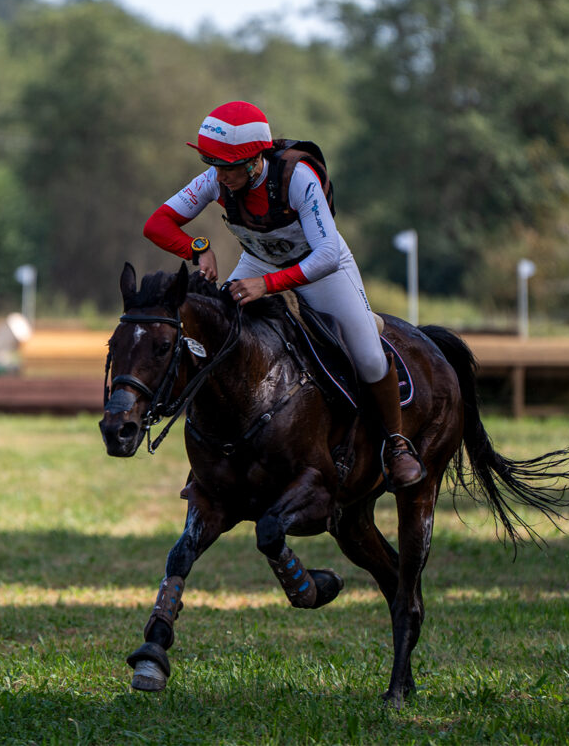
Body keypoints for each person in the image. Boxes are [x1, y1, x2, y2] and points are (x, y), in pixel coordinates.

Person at [142, 100, 423, 489]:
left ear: (255, 160)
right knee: (221, 337)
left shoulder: (299, 178)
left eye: (226, 166)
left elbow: (325, 255)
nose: (218, 176)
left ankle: (396, 445)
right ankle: (216, 455)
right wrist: (197, 247)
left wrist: (267, 285)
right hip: (260, 262)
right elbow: (157, 224)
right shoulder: (215, 178)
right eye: (214, 165)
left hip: (321, 269)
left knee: (370, 357)